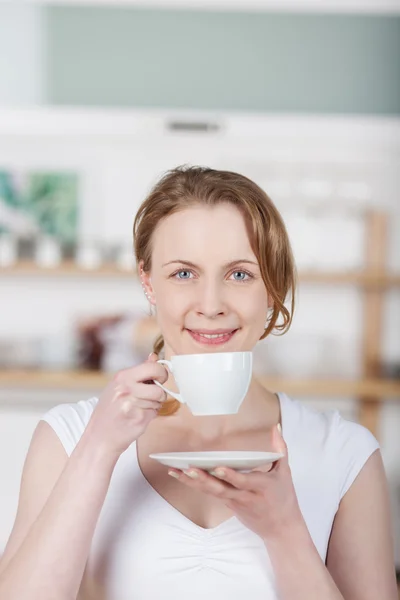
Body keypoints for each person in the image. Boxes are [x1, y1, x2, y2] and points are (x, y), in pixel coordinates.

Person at [0, 166, 397, 600]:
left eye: (240, 274)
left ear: (273, 287)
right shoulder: (69, 436)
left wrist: (283, 529)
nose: (210, 306)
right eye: (184, 274)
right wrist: (97, 449)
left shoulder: (345, 453)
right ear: (148, 283)